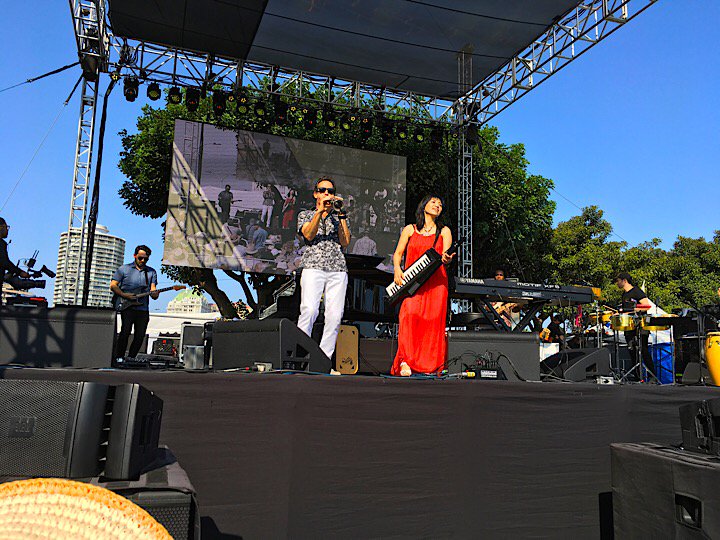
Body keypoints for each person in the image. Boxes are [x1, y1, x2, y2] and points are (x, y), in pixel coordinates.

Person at [391, 195, 455, 376]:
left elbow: (446, 255)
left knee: (433, 323)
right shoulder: (410, 230)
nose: (437, 206)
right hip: (413, 283)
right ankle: (405, 361)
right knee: (409, 315)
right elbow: (398, 254)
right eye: (434, 202)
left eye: (440, 204)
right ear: (424, 205)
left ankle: (432, 366)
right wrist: (397, 269)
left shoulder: (444, 231)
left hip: (437, 284)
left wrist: (447, 258)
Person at [296, 177, 351, 362]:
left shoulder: (339, 217)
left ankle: (323, 360)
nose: (327, 193)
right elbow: (309, 235)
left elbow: (345, 242)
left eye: (330, 191)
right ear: (315, 193)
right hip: (313, 267)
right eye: (322, 190)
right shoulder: (305, 214)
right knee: (310, 311)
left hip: (338, 269)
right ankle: (301, 357)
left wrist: (341, 215)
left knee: (335, 316)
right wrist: (319, 212)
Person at [110, 245, 159, 359]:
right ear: (135, 256)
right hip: (127, 307)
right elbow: (113, 285)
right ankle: (119, 357)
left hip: (143, 309)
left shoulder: (151, 272)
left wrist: (155, 293)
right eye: (140, 258)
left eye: (145, 259)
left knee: (140, 335)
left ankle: (131, 357)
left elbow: (153, 290)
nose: (142, 261)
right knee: (125, 332)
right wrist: (124, 295)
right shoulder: (123, 269)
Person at [615, 272, 653, 376]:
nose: (617, 283)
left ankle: (652, 375)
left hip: (640, 324)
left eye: (618, 281)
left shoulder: (636, 291)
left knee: (644, 350)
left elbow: (646, 305)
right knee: (632, 350)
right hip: (629, 326)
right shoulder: (624, 295)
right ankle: (637, 376)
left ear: (624, 281)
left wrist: (631, 309)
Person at [0, 217, 30, 305]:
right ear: (1, 227)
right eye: (6, 227)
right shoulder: (1, 244)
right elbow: (4, 262)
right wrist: (20, 272)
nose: (7, 230)